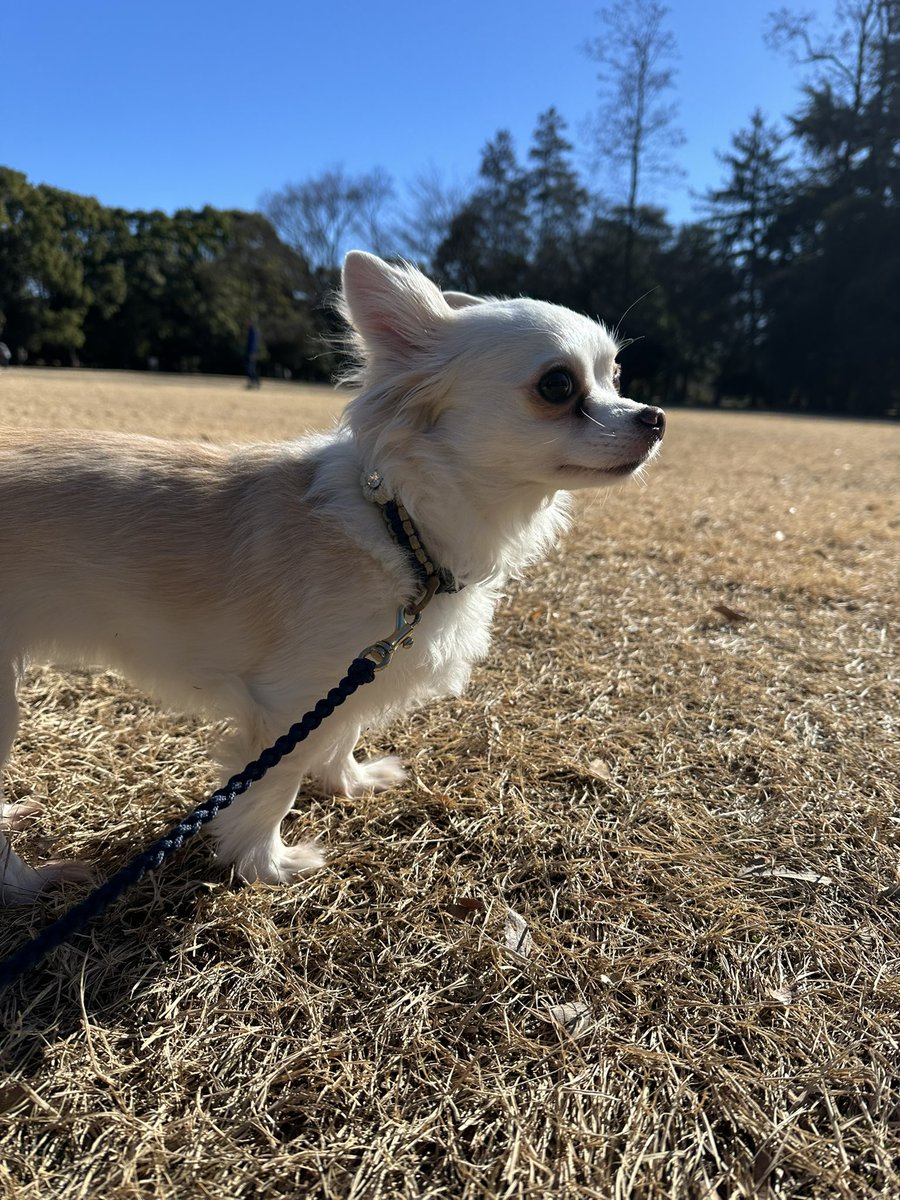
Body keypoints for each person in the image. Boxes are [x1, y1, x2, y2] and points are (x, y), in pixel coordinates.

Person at [245, 323, 260, 389]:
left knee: (251, 369)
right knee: (250, 369)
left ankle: (255, 382)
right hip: (250, 352)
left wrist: (253, 353)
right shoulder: (251, 331)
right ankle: (252, 382)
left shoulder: (253, 331)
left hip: (252, 353)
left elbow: (253, 343)